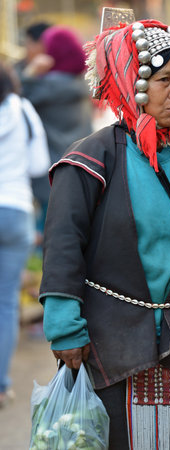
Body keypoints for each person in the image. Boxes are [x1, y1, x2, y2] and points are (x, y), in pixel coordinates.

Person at [39, 16, 170, 450]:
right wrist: (65, 328)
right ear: (133, 81)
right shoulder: (91, 159)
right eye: (164, 79)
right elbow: (63, 243)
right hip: (108, 340)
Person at [0, 62, 50, 407]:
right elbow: (37, 166)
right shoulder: (24, 110)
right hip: (15, 210)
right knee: (5, 304)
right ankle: (1, 384)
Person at [19, 25, 93, 242]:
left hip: (49, 171)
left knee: (47, 233)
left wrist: (29, 73)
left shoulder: (47, 86)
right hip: (79, 166)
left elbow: (14, 102)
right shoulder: (80, 84)